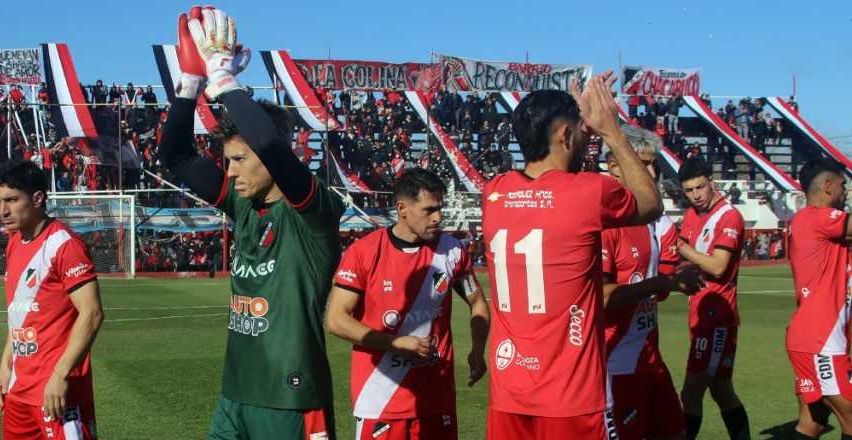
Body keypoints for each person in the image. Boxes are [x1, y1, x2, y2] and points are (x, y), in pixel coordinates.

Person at [161, 7, 344, 439]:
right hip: (235, 394)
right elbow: (177, 157)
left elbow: (269, 143)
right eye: (227, 161)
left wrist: (224, 79)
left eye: (240, 160)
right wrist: (190, 86)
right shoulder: (243, 204)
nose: (231, 172)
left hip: (291, 399)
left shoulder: (312, 212)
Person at [482, 72, 663, 439]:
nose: (587, 140)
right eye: (582, 133)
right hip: (570, 396)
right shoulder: (587, 192)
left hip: (509, 392)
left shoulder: (495, 193)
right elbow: (651, 203)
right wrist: (612, 131)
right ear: (564, 135)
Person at [326, 168, 490, 440]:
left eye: (440, 208)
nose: (438, 218)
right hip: (380, 399)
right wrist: (394, 342)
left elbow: (478, 303)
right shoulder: (364, 252)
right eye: (429, 210)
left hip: (437, 397)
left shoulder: (452, 251)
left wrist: (477, 350)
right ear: (402, 209)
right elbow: (336, 320)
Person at [602, 125, 704, 440]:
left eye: (653, 165)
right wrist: (666, 282)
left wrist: (671, 283)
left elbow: (653, 293)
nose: (651, 172)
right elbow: (602, 298)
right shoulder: (605, 221)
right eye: (642, 163)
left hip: (649, 356)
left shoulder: (648, 220)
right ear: (615, 165)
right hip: (616, 364)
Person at [0, 161, 103, 439]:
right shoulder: (15, 242)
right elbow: (20, 313)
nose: (3, 210)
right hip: (19, 389)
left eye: (12, 200)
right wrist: (5, 366)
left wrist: (60, 375)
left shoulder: (65, 246)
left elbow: (91, 313)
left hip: (55, 389)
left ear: (38, 198)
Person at [675, 158, 750, 439]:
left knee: (691, 392)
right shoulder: (692, 214)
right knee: (722, 391)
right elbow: (690, 262)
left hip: (716, 318)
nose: (696, 195)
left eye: (700, 187)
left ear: (712, 182)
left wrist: (682, 250)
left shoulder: (728, 216)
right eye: (689, 190)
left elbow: (718, 266)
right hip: (699, 311)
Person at [786, 159, 852, 440]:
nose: (846, 191)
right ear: (827, 185)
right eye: (843, 185)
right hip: (820, 341)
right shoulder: (815, 217)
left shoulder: (820, 227)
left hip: (819, 338)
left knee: (812, 424)